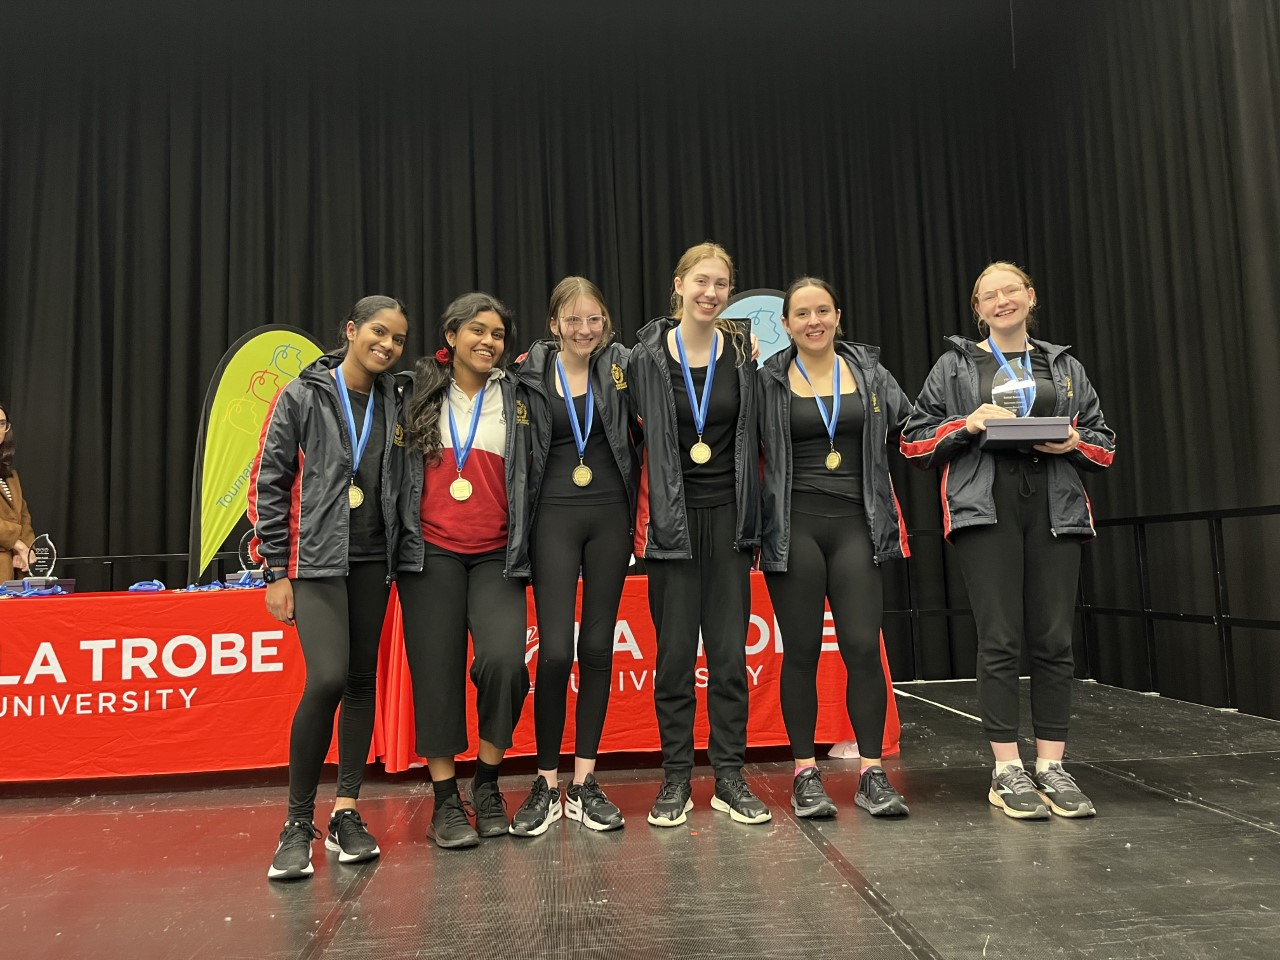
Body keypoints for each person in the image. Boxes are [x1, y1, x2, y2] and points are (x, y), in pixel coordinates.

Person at [901, 262, 1115, 819]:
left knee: (1054, 639)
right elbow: (914, 442)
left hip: (1055, 505)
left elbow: (1104, 445)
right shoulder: (955, 365)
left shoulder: (1063, 365)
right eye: (989, 295)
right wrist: (967, 424)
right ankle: (1006, 770)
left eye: (1011, 290)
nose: (1002, 301)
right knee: (998, 638)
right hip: (985, 505)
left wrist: (1072, 441)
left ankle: (1052, 766)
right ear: (978, 308)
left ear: (1030, 296)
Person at [249, 295, 409, 880]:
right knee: (327, 679)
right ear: (350, 330)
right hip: (315, 561)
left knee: (361, 681)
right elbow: (269, 480)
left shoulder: (396, 398)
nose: (387, 345)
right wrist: (275, 570)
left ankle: (346, 812)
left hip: (374, 558)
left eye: (397, 338)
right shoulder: (303, 394)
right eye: (378, 332)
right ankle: (296, 823)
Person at [758, 278, 912, 819]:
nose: (814, 321)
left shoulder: (870, 373)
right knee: (800, 653)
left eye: (822, 310)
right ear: (786, 324)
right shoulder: (767, 380)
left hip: (857, 527)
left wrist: (974, 424)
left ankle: (872, 773)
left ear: (838, 315)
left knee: (862, 650)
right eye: (802, 314)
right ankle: (805, 773)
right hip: (793, 527)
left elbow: (915, 427)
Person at [628, 241, 769, 827]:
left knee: (730, 656)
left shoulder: (743, 352)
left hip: (730, 518)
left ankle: (729, 776)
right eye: (701, 281)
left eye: (721, 284)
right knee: (674, 659)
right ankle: (677, 778)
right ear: (679, 284)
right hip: (671, 522)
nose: (710, 293)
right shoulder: (643, 357)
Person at [396, 292, 533, 850]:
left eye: (497, 334)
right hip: (430, 553)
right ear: (451, 336)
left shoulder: (520, 395)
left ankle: (488, 783)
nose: (488, 342)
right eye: (477, 330)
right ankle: (445, 801)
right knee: (436, 673)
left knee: (505, 664)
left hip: (498, 552)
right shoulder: (414, 391)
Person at [508, 277, 638, 835]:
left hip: (610, 517)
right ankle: (546, 781)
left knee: (598, 648)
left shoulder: (624, 367)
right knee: (557, 651)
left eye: (594, 319)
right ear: (554, 324)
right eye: (573, 320)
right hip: (552, 520)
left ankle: (584, 781)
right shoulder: (527, 374)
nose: (585, 330)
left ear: (606, 322)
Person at [0, 403, 37, 582]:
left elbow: (23, 515)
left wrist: (26, 548)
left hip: (11, 569)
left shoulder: (11, 474)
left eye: (2, 424)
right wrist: (17, 543)